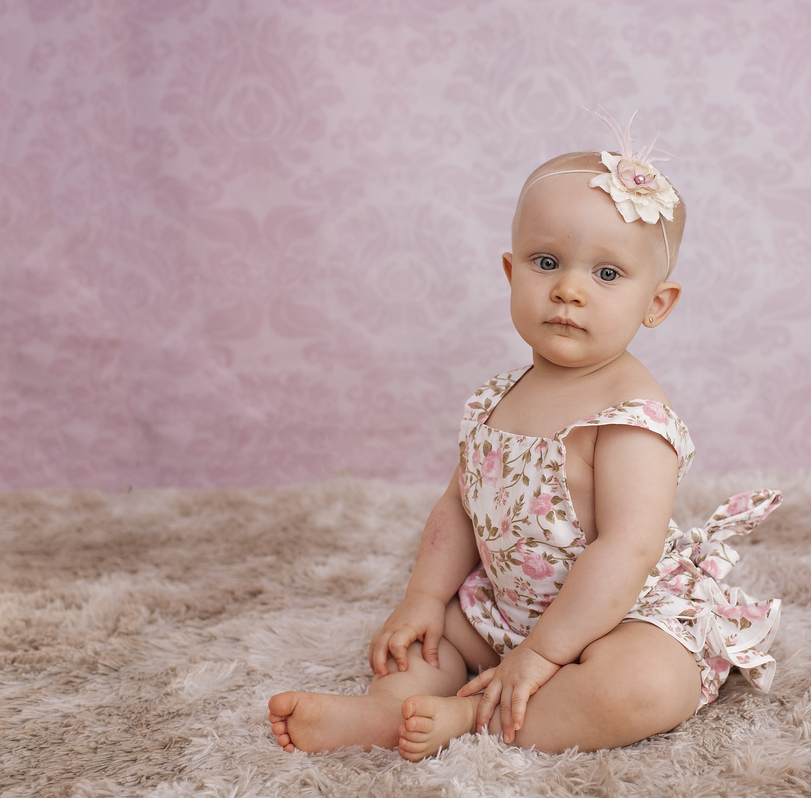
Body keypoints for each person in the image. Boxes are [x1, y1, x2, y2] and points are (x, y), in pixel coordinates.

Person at [268, 113, 782, 760]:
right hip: (505, 608)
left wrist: (542, 653)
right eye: (547, 262)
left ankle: (469, 720)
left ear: (657, 304)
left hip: (614, 618)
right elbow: (459, 507)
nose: (568, 289)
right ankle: (383, 714)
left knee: (644, 686)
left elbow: (626, 551)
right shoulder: (497, 399)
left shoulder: (630, 414)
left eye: (607, 275)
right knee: (425, 642)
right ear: (511, 274)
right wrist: (423, 599)